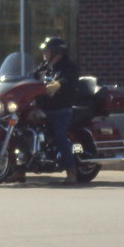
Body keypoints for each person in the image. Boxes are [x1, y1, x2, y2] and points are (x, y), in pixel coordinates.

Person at [34, 36, 80, 185]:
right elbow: (30, 77)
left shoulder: (69, 67)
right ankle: (18, 171)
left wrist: (59, 84)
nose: (44, 53)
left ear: (57, 52)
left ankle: (71, 172)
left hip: (61, 109)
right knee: (23, 130)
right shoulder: (44, 66)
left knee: (60, 136)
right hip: (43, 108)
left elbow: (69, 81)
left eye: (47, 51)